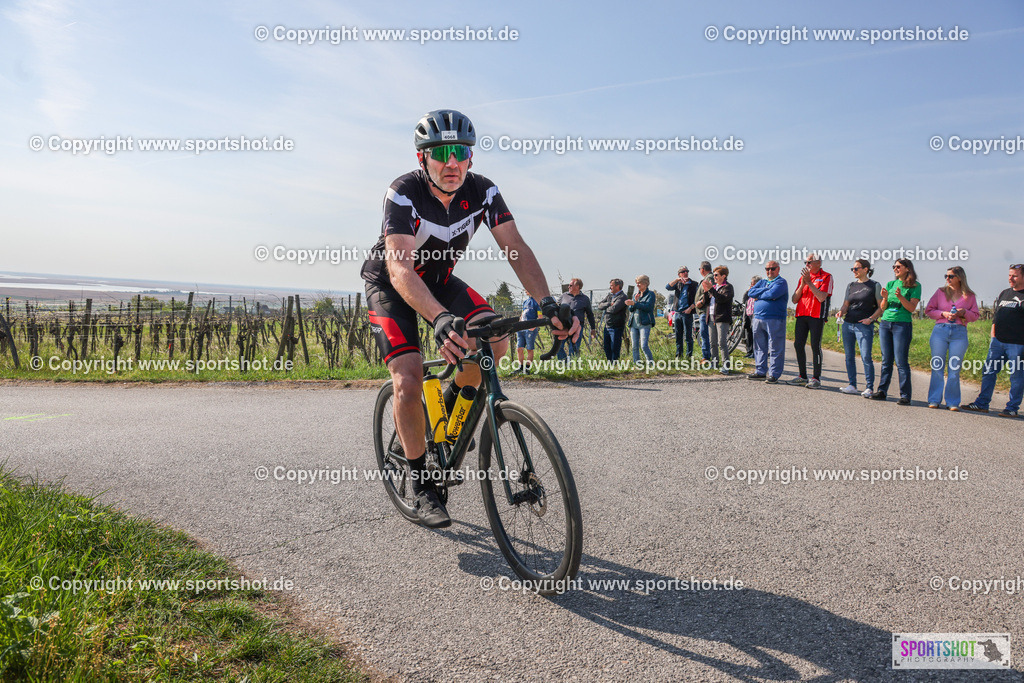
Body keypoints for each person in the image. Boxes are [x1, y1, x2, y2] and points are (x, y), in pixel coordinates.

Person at [360, 109, 578, 528]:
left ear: (471, 157)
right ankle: (422, 483)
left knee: (495, 339)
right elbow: (401, 268)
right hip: (392, 283)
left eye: (460, 151)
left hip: (439, 280)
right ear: (422, 157)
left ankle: (447, 407)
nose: (452, 162)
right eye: (440, 152)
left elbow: (515, 246)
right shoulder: (403, 192)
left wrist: (548, 303)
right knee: (406, 379)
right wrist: (440, 319)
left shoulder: (484, 191)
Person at [963, 264, 1024, 418]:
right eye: (1010, 275)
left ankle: (1012, 408)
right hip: (997, 342)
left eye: (1015, 275)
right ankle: (982, 404)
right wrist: (993, 336)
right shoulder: (1005, 293)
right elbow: (996, 316)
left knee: (1016, 376)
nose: (1010, 278)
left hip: (1018, 344)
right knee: (989, 371)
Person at [924, 267, 980, 410]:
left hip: (959, 333)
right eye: (946, 276)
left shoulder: (970, 296)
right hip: (940, 331)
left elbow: (975, 315)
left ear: (959, 278)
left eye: (951, 276)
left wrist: (964, 313)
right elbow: (929, 310)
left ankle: (952, 402)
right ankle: (934, 399)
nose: (947, 279)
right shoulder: (940, 292)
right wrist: (943, 314)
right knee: (937, 365)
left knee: (954, 368)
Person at [870, 259, 921, 405]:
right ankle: (882, 391)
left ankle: (905, 395)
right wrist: (885, 298)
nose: (895, 269)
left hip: (902, 324)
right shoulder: (891, 284)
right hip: (886, 323)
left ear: (907, 268)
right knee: (886, 360)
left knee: (901, 361)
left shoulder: (915, 286)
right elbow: (883, 307)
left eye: (898, 266)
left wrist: (900, 297)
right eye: (894, 267)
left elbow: (911, 308)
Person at [835, 259, 884, 397]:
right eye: (853, 269)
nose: (854, 271)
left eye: (857, 268)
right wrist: (841, 312)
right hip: (848, 324)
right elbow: (846, 304)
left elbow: (881, 307)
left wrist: (871, 319)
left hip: (864, 326)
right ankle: (852, 385)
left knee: (866, 357)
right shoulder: (851, 285)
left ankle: (869, 387)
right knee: (849, 356)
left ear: (866, 269)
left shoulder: (874, 285)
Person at [788, 254, 833, 389]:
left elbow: (821, 297)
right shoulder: (803, 278)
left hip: (816, 316)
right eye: (805, 262)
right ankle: (802, 376)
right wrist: (803, 284)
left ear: (818, 263)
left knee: (815, 346)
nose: (806, 265)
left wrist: (809, 283)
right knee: (798, 345)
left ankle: (816, 378)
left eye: (809, 262)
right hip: (802, 314)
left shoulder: (827, 277)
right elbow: (794, 299)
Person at [746, 261, 788, 383]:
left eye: (772, 269)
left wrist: (760, 295)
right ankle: (760, 371)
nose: (769, 271)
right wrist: (765, 291)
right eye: (767, 269)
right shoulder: (763, 282)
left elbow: (773, 293)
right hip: (758, 318)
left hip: (775, 318)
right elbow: (750, 292)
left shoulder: (781, 282)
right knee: (759, 346)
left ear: (778, 269)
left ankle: (774, 374)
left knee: (775, 347)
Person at [705, 266, 735, 374]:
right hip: (711, 316)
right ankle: (714, 363)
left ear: (724, 276)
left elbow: (722, 299)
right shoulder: (714, 287)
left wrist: (711, 290)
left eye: (716, 275)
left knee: (721, 342)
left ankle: (725, 366)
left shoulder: (728, 287)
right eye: (714, 275)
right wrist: (706, 291)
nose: (714, 277)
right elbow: (706, 302)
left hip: (722, 317)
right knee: (712, 342)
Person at [558, 278, 596, 360]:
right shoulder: (563, 296)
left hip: (578, 327)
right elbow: (556, 308)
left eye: (570, 285)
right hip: (564, 326)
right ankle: (563, 363)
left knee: (574, 348)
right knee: (559, 346)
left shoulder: (585, 299)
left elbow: (590, 314)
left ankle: (572, 367)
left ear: (577, 286)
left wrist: (593, 328)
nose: (568, 287)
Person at [666, 267, 699, 358]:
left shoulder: (694, 284)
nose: (685, 273)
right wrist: (677, 280)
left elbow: (698, 298)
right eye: (683, 272)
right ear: (679, 274)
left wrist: (690, 308)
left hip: (687, 313)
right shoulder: (678, 284)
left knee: (688, 336)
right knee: (678, 336)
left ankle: (689, 356)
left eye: (687, 271)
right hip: (677, 313)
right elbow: (667, 287)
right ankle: (678, 356)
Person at [626, 275, 655, 363]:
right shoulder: (636, 294)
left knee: (644, 346)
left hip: (645, 323)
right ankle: (637, 364)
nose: (637, 285)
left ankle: (650, 363)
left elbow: (648, 307)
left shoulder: (651, 294)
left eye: (639, 283)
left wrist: (635, 303)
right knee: (634, 346)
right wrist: (633, 302)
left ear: (645, 283)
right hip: (634, 324)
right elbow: (631, 309)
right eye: (637, 283)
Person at [596, 278, 627, 361]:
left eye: (612, 286)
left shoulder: (622, 297)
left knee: (615, 347)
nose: (610, 288)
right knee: (606, 346)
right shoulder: (609, 296)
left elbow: (614, 309)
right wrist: (609, 304)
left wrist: (606, 309)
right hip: (607, 325)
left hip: (616, 326)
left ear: (618, 286)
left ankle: (615, 364)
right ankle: (609, 363)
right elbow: (599, 306)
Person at [692, 261, 714, 361]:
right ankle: (707, 356)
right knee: (704, 335)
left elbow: (710, 293)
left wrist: (701, 302)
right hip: (703, 311)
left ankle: (706, 357)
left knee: (705, 335)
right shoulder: (707, 278)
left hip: (705, 311)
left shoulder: (709, 278)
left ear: (702, 270)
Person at [516, 295, 540, 373]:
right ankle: (521, 367)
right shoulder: (525, 302)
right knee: (519, 349)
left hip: (530, 329)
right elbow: (522, 313)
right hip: (521, 328)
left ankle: (527, 368)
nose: (526, 289)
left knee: (529, 349)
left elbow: (540, 317)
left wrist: (534, 327)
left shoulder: (537, 302)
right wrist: (519, 324)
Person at [742, 276, 761, 358]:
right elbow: (744, 300)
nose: (751, 284)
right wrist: (748, 290)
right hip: (748, 314)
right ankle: (749, 351)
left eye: (753, 283)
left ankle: (755, 352)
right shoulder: (750, 291)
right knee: (749, 333)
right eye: (751, 283)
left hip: (755, 314)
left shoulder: (760, 291)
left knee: (755, 334)